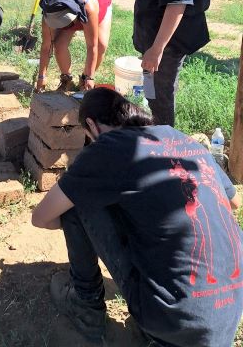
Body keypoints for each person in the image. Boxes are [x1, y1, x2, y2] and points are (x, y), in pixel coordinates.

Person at [32, 87, 243, 347]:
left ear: (91, 125)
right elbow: (233, 202)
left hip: (174, 319)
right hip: (227, 313)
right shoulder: (182, 139)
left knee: (75, 201)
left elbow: (41, 218)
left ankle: (85, 307)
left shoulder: (109, 147)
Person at [36, 0, 112, 92]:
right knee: (59, 45)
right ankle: (67, 79)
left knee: (101, 45)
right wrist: (41, 77)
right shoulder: (49, 10)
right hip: (71, 14)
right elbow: (47, 46)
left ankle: (84, 79)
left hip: (99, 4)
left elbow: (92, 46)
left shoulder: (89, 7)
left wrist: (90, 77)